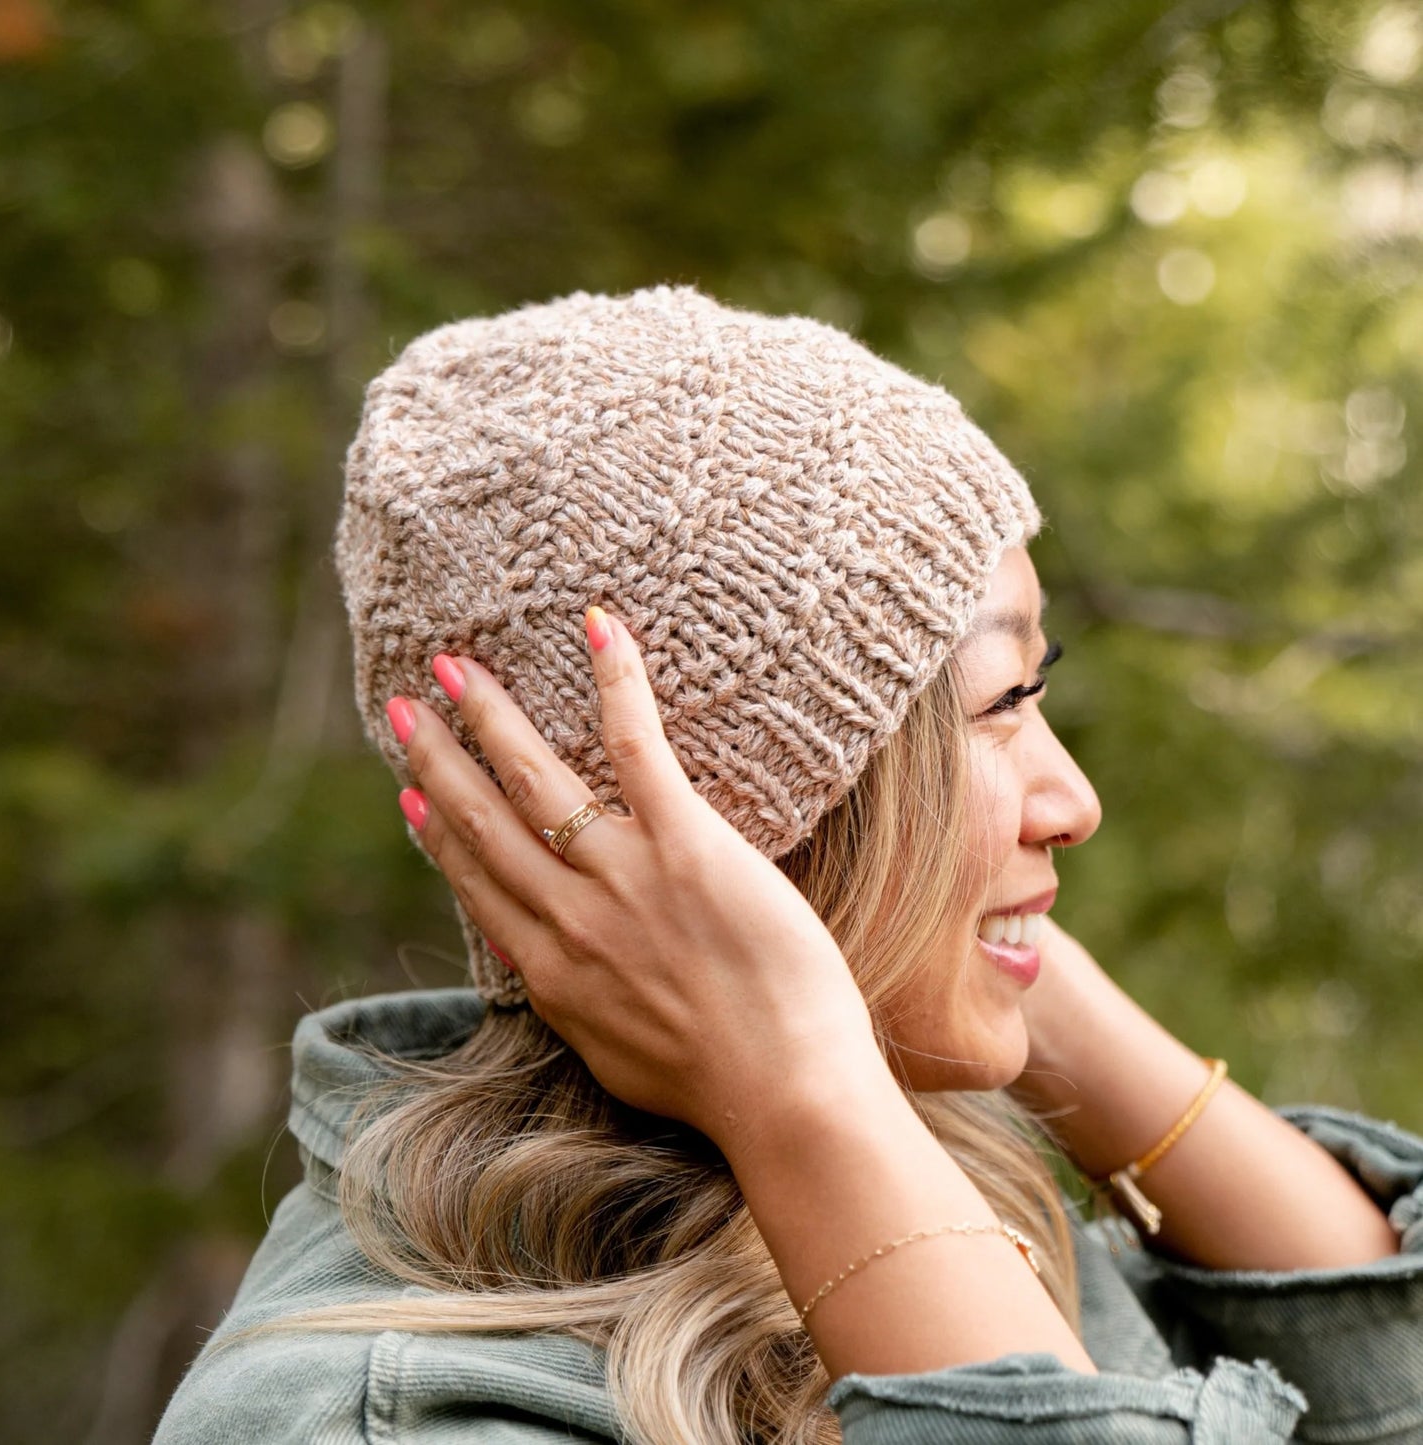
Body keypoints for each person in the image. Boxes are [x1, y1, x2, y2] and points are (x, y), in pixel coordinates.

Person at [154, 287, 1423, 1445]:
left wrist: (1016, 981)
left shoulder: (932, 1168)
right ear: (733, 822)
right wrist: (806, 1084)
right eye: (998, 700)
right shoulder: (384, 1420)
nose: (1073, 800)